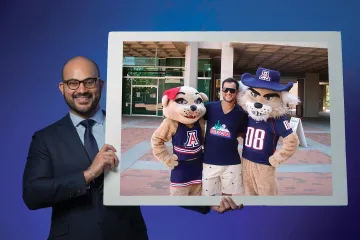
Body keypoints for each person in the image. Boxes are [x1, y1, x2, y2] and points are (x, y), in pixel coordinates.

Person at [22, 56, 243, 240]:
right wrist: (88, 174)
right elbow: (33, 195)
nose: (82, 89)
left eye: (89, 81)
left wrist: (207, 202)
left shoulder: (123, 131)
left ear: (100, 85)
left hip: (128, 234)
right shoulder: (45, 139)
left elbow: (156, 187)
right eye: (73, 83)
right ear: (62, 88)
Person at [201, 78, 248, 196]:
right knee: (208, 200)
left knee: (227, 200)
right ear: (221, 91)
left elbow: (243, 133)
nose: (228, 93)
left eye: (232, 90)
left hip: (231, 163)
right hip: (210, 161)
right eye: (226, 89)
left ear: (237, 92)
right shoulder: (210, 107)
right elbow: (192, 115)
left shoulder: (241, 114)